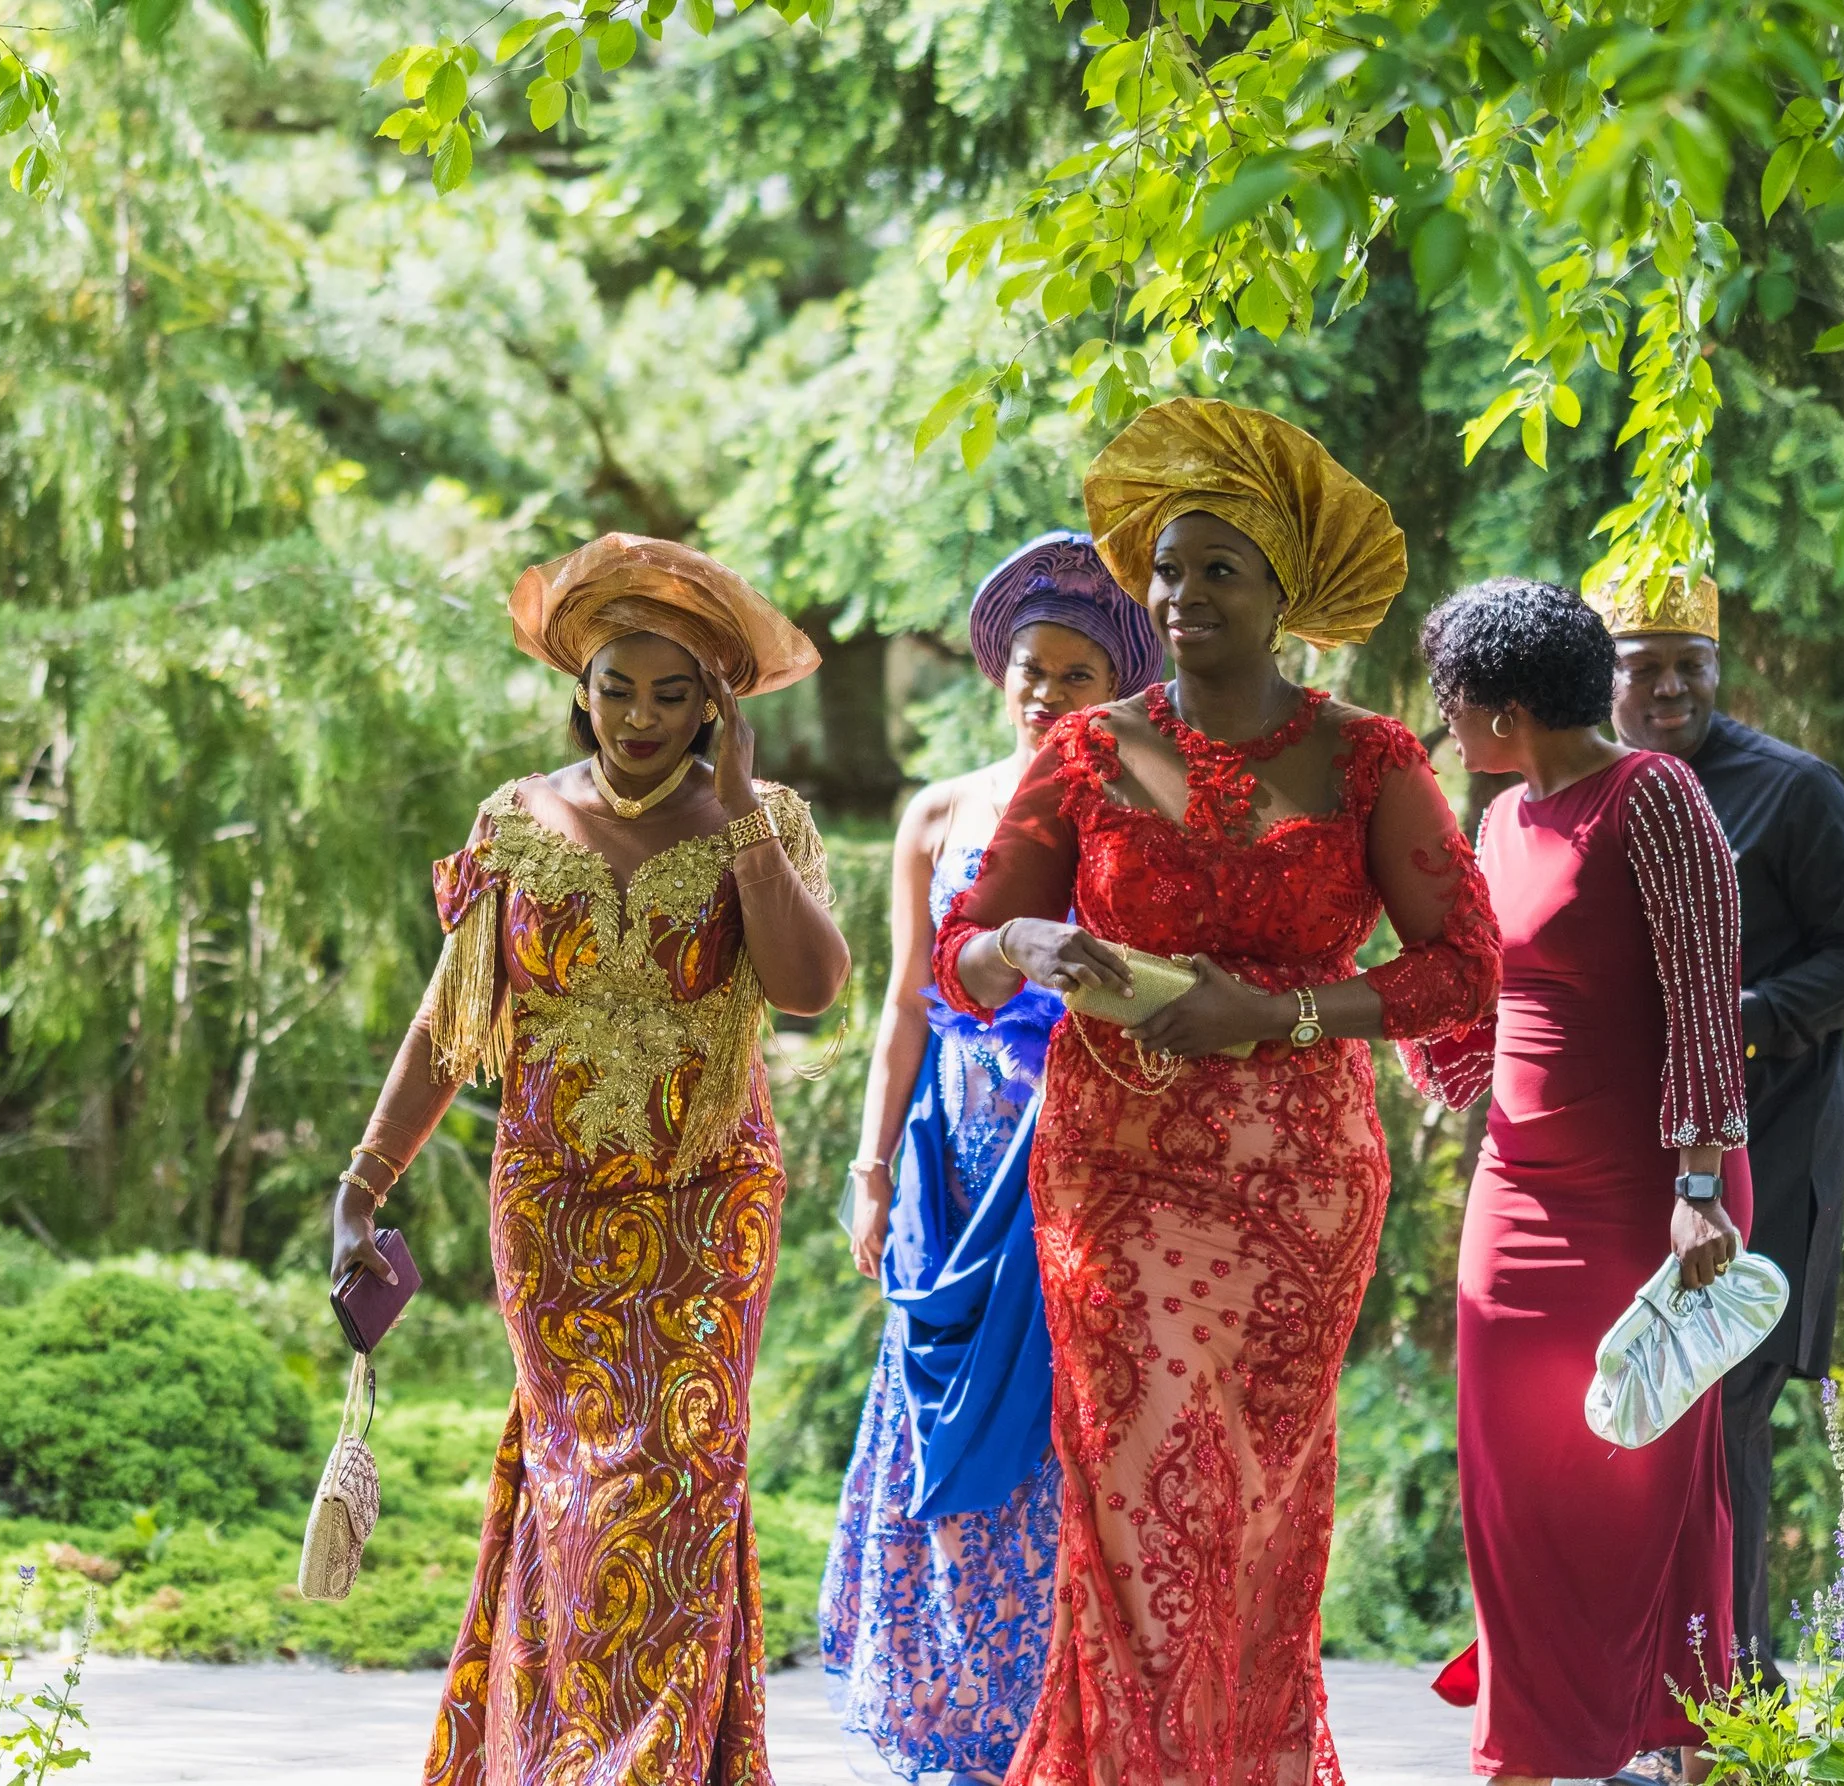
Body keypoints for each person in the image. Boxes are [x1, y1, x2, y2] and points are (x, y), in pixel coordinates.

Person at [933, 399, 1501, 1786]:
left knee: (1251, 1506)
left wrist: (1282, 1010)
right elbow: (963, 954)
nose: (1183, 595)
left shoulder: (1369, 757)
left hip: (1299, 1189)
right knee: (1134, 1493)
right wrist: (1027, 942)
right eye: (1169, 570)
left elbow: (1463, 969)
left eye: (1219, 570)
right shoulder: (1081, 753)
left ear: (1283, 592)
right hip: (1112, 1175)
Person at [329, 534, 851, 1786]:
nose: (642, 717)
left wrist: (742, 820)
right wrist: (361, 1185)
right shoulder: (515, 822)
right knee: (573, 1482)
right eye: (619, 687)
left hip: (707, 1205)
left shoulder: (762, 820)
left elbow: (809, 989)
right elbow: (448, 1023)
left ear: (715, 705)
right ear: (582, 684)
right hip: (552, 1205)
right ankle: (557, 1755)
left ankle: (644, 1765)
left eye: (674, 694)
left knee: (680, 1470)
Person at [819, 532, 1161, 1784]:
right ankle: (944, 1717)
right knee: (930, 1410)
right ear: (997, 673)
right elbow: (903, 1008)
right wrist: (868, 1170)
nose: (1048, 692)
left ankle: (1044, 1722)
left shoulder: (1136, 813)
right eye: (1033, 669)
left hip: (1077, 1151)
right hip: (946, 1158)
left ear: (1115, 689)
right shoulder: (936, 811)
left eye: (1078, 674)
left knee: (1054, 1430)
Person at [1407, 576, 1750, 1786]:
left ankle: (1692, 1741)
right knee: (1512, 1482)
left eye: (1453, 698)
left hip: (1648, 1196)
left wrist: (1698, 1184)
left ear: (1506, 708)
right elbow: (1480, 1000)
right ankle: (1524, 1748)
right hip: (1515, 1192)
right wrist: (1402, 1028)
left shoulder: (1651, 795)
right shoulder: (1501, 818)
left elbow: (1704, 992)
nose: (1445, 720)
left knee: (1647, 1480)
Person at [1603, 575, 1844, 1694]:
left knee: (1717, 1421)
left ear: (1719, 667)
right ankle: (1636, 1701)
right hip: (1619, 1158)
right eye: (1644, 665)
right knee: (1627, 1422)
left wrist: (1735, 1018)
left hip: (1763, 1153)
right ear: (1604, 677)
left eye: (1692, 663)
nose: (1671, 687)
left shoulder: (1792, 790)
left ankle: (1730, 1702)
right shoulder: (1589, 790)